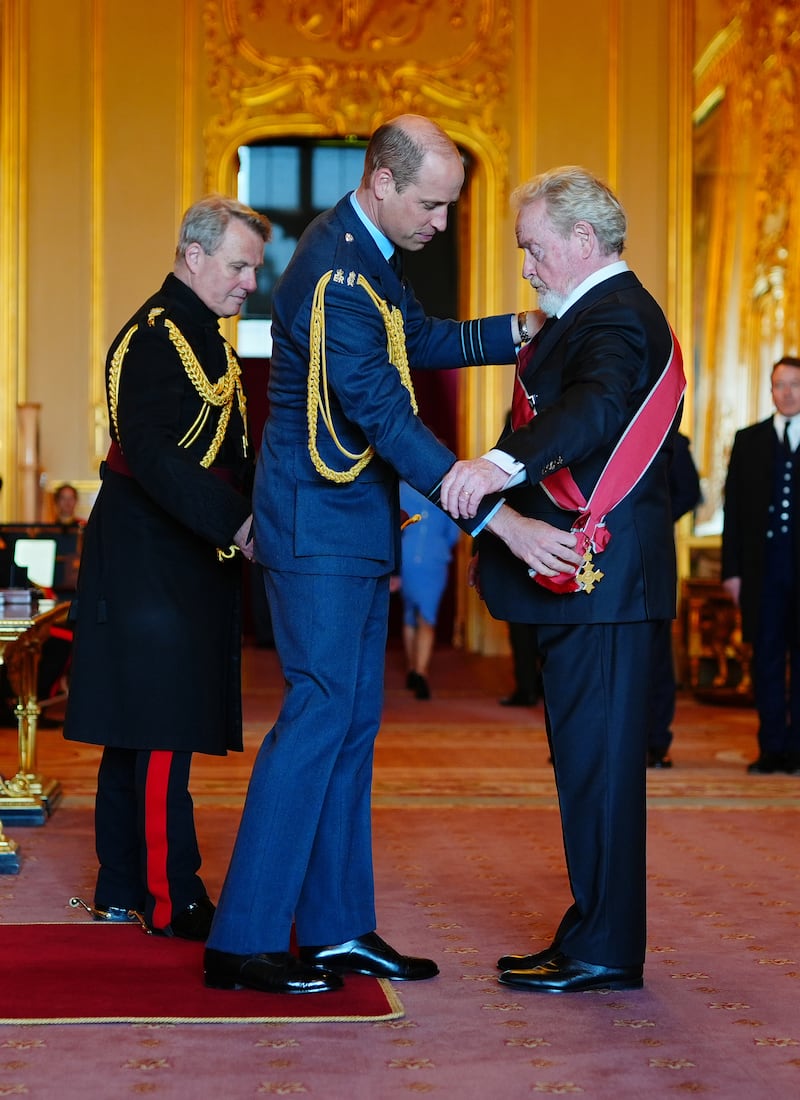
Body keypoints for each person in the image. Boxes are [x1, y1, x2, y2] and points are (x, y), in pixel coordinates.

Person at [203, 114, 568, 996]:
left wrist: (520, 329)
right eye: (433, 206)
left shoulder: (363, 255)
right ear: (381, 182)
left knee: (351, 728)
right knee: (319, 718)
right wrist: (493, 517)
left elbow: (423, 341)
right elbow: (383, 412)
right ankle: (244, 939)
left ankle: (333, 930)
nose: (440, 224)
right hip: (318, 529)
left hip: (349, 528)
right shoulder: (334, 269)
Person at [439, 166, 685, 994]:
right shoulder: (598, 312)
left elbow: (597, 410)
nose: (528, 267)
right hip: (596, 582)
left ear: (584, 241)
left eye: (535, 249)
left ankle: (606, 950)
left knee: (602, 771)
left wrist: (502, 461)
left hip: (605, 584)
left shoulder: (615, 316)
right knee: (586, 765)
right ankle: (592, 931)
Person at [63, 195, 270, 939]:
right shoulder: (156, 335)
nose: (250, 281)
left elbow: (230, 453)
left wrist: (260, 513)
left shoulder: (204, 336)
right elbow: (153, 456)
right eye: (240, 264)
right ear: (194, 255)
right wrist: (236, 521)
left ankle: (122, 884)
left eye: (255, 267)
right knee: (155, 733)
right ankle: (166, 896)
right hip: (148, 559)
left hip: (179, 559)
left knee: (142, 731)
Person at [722, 356, 800, 776]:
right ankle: (771, 748)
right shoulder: (748, 440)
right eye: (779, 385)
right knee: (766, 660)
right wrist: (731, 571)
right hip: (762, 573)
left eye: (794, 384)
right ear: (770, 390)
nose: (786, 392)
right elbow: (732, 511)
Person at [647, 432, 702, 767]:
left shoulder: (672, 439)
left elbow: (689, 493)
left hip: (652, 558)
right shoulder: (592, 423)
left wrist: (649, 519)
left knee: (655, 654)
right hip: (595, 559)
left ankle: (655, 741)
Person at [398, 480, 461, 700]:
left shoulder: (400, 488)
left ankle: (416, 671)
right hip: (430, 560)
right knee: (420, 616)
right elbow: (453, 534)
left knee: (419, 614)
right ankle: (417, 670)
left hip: (413, 559)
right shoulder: (445, 491)